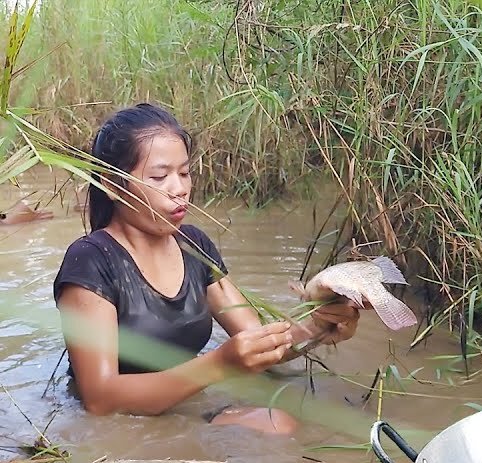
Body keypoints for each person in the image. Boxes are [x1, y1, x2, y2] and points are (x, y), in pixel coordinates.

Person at [52, 103, 362, 433]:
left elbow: (253, 343)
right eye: (159, 176)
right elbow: (99, 400)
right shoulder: (90, 260)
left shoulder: (194, 245)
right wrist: (217, 365)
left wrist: (318, 327)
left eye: (184, 173)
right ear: (113, 186)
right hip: (117, 425)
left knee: (279, 424)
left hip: (181, 405)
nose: (179, 188)